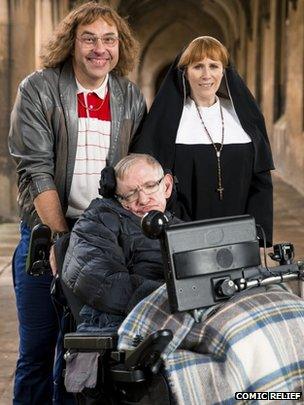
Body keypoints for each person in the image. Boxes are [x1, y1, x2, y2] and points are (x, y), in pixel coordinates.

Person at [8, 2, 145, 404]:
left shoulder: (129, 97)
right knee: (37, 349)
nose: (99, 48)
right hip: (47, 233)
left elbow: (133, 171)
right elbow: (37, 172)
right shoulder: (39, 88)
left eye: (109, 39)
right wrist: (60, 241)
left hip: (103, 238)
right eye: (89, 39)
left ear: (120, 46)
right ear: (72, 43)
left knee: (85, 352)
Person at [131, 36, 274, 246]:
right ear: (185, 72)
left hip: (240, 235)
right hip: (184, 235)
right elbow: (155, 185)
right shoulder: (167, 122)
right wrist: (178, 231)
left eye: (214, 66)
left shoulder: (244, 117)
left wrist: (256, 234)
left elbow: (260, 180)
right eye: (198, 66)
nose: (207, 75)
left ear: (223, 71)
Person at [62, 153, 176, 331]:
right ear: (117, 197)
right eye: (130, 194)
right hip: (128, 323)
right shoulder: (95, 223)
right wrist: (174, 297)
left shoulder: (180, 228)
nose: (143, 199)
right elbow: (102, 283)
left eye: (150, 186)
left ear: (167, 186)